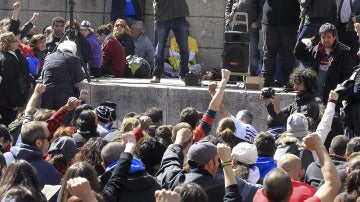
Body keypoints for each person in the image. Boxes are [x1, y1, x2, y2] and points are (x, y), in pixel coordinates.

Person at [294, 23, 354, 103]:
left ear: (334, 37)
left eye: (328, 37)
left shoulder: (343, 54)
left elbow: (347, 78)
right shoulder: (316, 51)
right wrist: (302, 42)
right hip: (315, 96)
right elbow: (298, 54)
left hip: (333, 98)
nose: (325, 40)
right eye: (323, 37)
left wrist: (338, 95)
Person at [3, 121, 60, 187]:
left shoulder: (4, 158)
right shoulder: (49, 171)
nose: (51, 141)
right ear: (38, 143)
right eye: (49, 138)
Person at [261, 0, 300, 87]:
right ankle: (267, 80)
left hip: (290, 21)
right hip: (270, 20)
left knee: (288, 53)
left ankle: (289, 81)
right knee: (269, 52)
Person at [150, 0, 189, 83]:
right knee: (159, 49)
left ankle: (184, 74)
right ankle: (156, 75)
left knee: (184, 48)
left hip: (179, 15)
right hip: (162, 16)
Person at [41, 40, 86, 110]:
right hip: (63, 93)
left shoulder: (49, 57)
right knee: (63, 118)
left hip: (47, 92)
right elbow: (80, 77)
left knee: (46, 118)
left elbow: (43, 75)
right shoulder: (73, 58)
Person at [0, 32, 32, 126]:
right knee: (8, 125)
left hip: (5, 100)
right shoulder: (8, 60)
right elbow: (9, 83)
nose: (18, 42)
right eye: (15, 41)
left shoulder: (7, 55)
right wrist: (13, 102)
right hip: (7, 102)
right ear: (9, 43)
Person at [224, 0, 262, 76]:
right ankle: (235, 74)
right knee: (234, 50)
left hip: (251, 25)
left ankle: (252, 74)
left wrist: (257, 22)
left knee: (252, 52)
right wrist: (228, 20)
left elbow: (262, 7)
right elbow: (228, 5)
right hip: (235, 24)